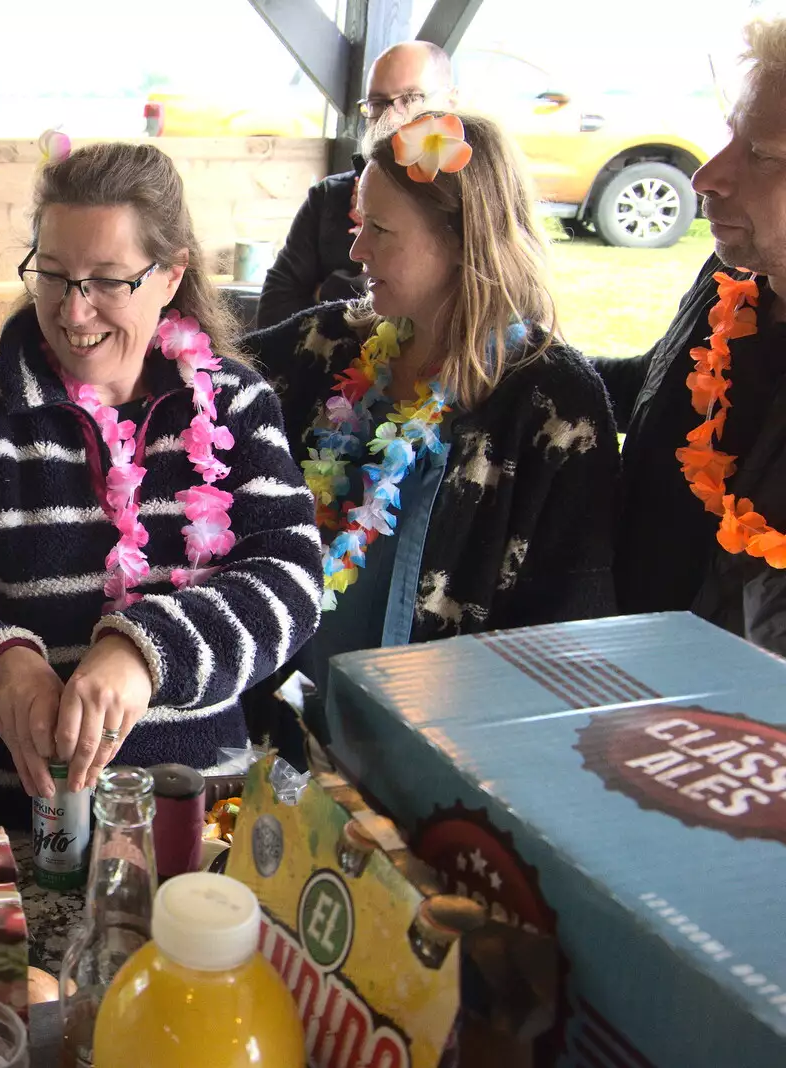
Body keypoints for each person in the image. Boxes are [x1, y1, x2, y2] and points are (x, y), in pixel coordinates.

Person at [0, 143, 324, 828]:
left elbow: (292, 582)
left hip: (199, 816)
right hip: (8, 821)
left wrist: (145, 649)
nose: (74, 312)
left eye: (107, 280)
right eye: (54, 275)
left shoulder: (237, 404)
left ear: (170, 274)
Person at [244, 112, 619, 737]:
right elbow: (200, 373)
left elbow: (568, 641)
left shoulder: (555, 406)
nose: (356, 251)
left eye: (382, 231)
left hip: (448, 764)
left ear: (463, 241)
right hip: (285, 745)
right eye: (359, 224)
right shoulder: (328, 343)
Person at [595, 17, 786, 654]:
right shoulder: (734, 275)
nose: (705, 176)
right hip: (634, 652)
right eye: (733, 137)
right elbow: (660, 393)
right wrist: (518, 364)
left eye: (761, 155)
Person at [255, 41, 457, 330]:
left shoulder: (470, 201)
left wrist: (330, 292)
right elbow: (274, 315)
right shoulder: (328, 198)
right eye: (377, 104)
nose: (392, 117)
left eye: (410, 98)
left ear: (450, 101)